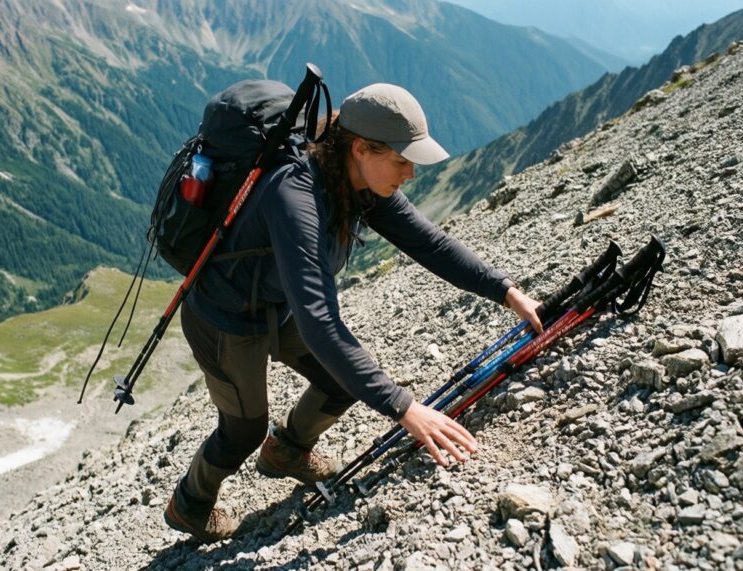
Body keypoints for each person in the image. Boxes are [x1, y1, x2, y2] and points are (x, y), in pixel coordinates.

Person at [164, 83, 543, 542]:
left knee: (343, 379)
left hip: (276, 305)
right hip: (224, 318)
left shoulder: (356, 182)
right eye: (402, 161)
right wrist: (404, 408)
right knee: (243, 429)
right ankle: (190, 502)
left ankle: (287, 451)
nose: (411, 174)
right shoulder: (295, 196)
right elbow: (319, 321)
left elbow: (431, 243)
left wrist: (508, 292)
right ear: (361, 148)